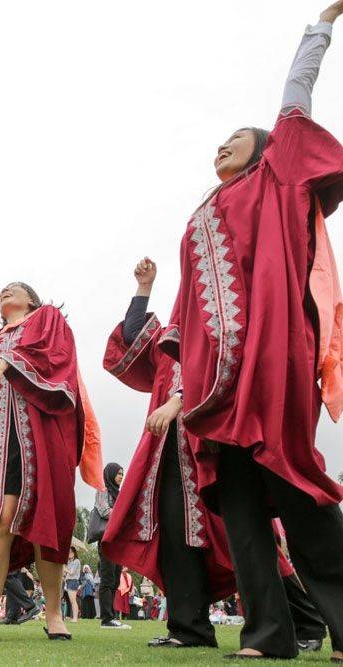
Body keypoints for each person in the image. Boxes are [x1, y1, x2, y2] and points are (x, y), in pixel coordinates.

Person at [163, 3, 343, 660]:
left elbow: (295, 100)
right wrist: (182, 385)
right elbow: (185, 313)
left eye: (236, 138)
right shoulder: (200, 215)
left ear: (265, 148)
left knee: (294, 481)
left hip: (272, 363)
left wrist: (318, 30)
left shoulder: (277, 176)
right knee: (239, 508)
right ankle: (269, 635)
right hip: (214, 389)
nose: (222, 146)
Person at [0, 284, 101, 641]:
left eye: (13, 289)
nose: (4, 292)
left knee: (44, 515)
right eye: (1, 291)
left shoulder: (46, 318)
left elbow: (57, 357)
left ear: (30, 299)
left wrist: (9, 361)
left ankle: (53, 615)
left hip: (41, 430)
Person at [101, 258, 238, 648]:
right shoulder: (166, 342)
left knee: (239, 532)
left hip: (214, 443)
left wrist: (179, 400)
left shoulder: (220, 327)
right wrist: (144, 288)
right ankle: (189, 628)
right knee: (178, 534)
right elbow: (131, 336)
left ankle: (306, 622)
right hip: (171, 452)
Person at [94, 463, 130, 630]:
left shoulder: (119, 493)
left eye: (122, 474)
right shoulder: (103, 490)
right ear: (110, 474)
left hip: (118, 540)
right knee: (107, 578)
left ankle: (112, 616)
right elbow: (104, 511)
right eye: (118, 474)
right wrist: (122, 511)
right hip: (106, 539)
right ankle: (106, 619)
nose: (121, 477)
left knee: (115, 579)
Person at [64, 547, 81, 623]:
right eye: (68, 552)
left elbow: (71, 572)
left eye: (71, 552)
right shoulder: (69, 562)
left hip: (73, 581)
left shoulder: (76, 561)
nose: (69, 554)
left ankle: (75, 618)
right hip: (69, 581)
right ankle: (73, 617)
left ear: (74, 553)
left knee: (73, 601)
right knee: (72, 601)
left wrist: (64, 568)